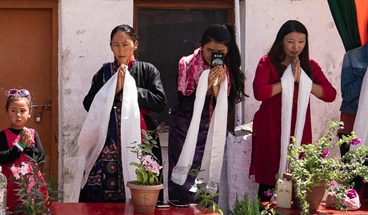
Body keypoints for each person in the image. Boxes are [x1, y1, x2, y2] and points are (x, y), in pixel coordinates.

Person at [78, 24, 166, 203]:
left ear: (135, 45)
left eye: (126, 44)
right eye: (116, 45)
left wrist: (129, 89)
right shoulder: (104, 73)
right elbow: (88, 104)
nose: (121, 50)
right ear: (110, 46)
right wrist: (111, 90)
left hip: (141, 138)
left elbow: (159, 101)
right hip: (107, 142)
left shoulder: (147, 70)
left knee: (143, 181)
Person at [250, 20, 336, 200]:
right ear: (281, 41)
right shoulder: (267, 63)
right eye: (290, 41)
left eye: (301, 42)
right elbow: (260, 92)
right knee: (269, 179)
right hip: (271, 127)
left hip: (299, 129)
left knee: (297, 178)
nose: (296, 47)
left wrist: (303, 81)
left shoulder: (309, 65)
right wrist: (286, 81)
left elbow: (330, 94)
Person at [167, 24, 246, 205]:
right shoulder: (187, 63)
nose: (213, 56)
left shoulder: (229, 68)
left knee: (207, 177)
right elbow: (183, 102)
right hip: (185, 130)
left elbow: (225, 106)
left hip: (211, 130)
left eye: (220, 52)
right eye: (209, 50)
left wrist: (217, 86)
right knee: (183, 178)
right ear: (201, 45)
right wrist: (204, 85)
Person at [0, 88, 46, 215]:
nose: (18, 115)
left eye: (23, 111)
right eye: (14, 111)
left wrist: (27, 145)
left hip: (31, 184)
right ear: (7, 112)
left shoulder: (33, 134)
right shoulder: (4, 134)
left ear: (30, 113)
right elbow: (4, 157)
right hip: (11, 185)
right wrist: (19, 145)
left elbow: (40, 157)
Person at [340, 40, 368, 200]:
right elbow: (347, 93)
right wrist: (365, 77)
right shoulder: (353, 56)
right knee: (352, 185)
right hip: (351, 127)